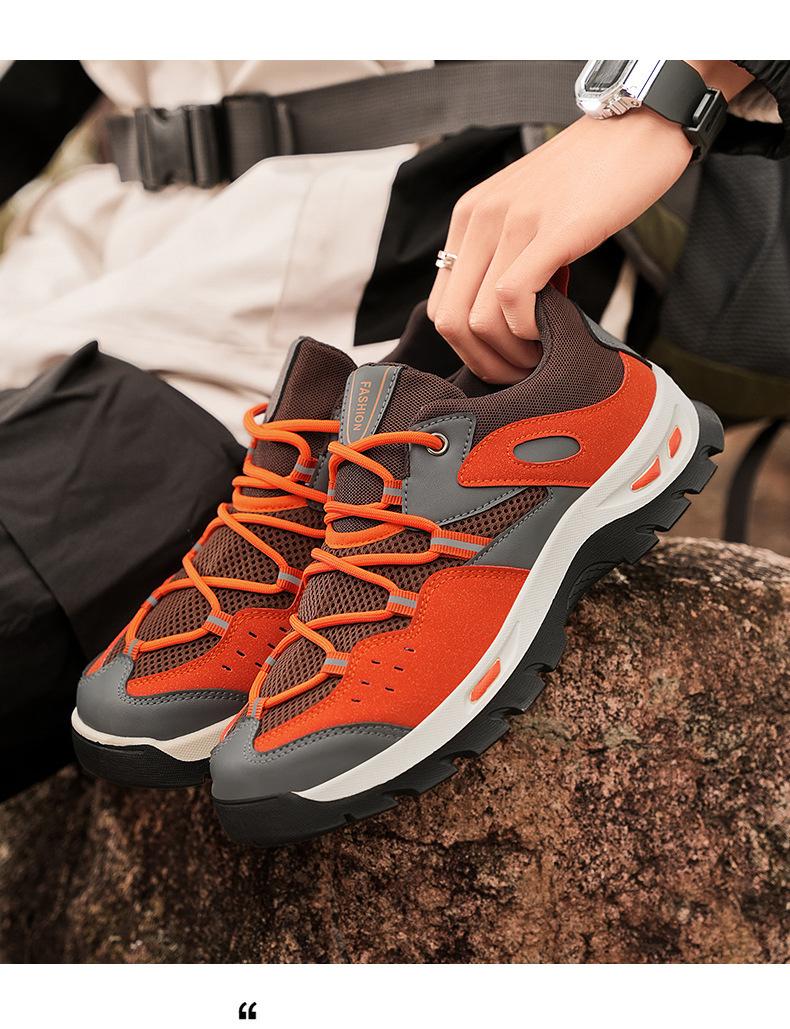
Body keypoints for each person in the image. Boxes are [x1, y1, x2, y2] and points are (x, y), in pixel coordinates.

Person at [0, 59, 788, 798]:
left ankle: (518, 418)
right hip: (67, 269)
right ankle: (340, 449)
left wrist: (667, 89)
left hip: (405, 244)